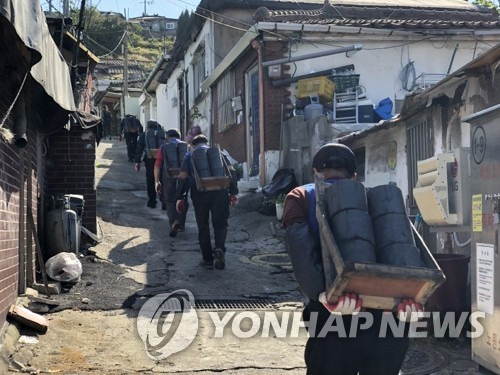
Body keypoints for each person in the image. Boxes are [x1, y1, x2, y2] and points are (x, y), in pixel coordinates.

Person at [282, 143, 423, 375]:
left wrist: (322, 294)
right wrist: (411, 302)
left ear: (315, 172)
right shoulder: (374, 200)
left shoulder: (300, 196)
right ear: (355, 176)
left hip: (333, 314)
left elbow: (299, 246)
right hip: (387, 318)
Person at [176, 134, 238, 270]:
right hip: (220, 191)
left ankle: (207, 259)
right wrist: (233, 192)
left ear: (193, 145)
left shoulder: (189, 156)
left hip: (200, 192)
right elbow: (231, 173)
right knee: (220, 224)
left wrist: (180, 196)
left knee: (203, 226)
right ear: (207, 142)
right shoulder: (219, 153)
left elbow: (183, 177)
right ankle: (219, 249)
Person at [154, 128, 188, 236]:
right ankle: (181, 223)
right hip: (184, 177)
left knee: (169, 200)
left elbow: (157, 166)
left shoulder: (164, 147)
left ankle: (174, 222)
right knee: (183, 198)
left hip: (168, 176)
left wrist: (157, 180)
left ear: (167, 137)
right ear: (179, 136)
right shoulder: (185, 146)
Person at [134, 119, 165, 208]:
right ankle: (164, 202)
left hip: (150, 159)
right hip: (162, 160)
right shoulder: (162, 133)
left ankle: (152, 201)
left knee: (151, 180)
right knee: (163, 179)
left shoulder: (145, 134)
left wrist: (137, 161)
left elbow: (139, 147)